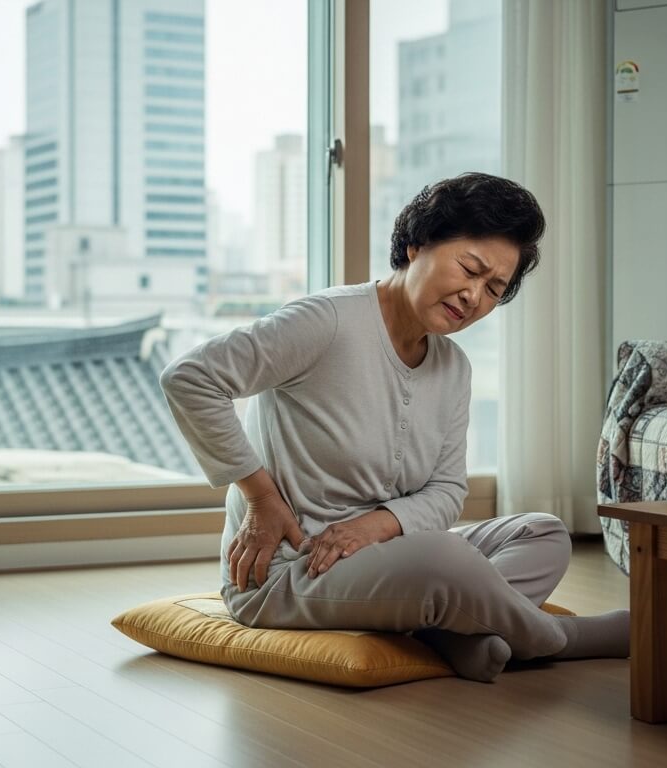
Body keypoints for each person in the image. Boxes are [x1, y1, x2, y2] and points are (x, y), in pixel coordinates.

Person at [161, 172, 629, 682]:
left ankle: (452, 634)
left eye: (493, 288)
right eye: (469, 269)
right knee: (444, 558)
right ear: (416, 244)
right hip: (291, 572)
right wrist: (260, 498)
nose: (474, 296)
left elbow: (448, 489)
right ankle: (553, 640)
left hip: (392, 557)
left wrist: (377, 524)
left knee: (543, 532)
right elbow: (190, 378)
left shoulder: (454, 368)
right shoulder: (329, 321)